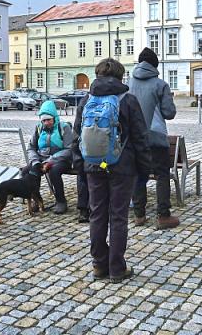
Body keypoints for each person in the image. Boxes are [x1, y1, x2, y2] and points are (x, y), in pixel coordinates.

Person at [72, 58, 151, 283]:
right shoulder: (128, 100)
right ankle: (117, 268)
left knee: (97, 214)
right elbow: (140, 138)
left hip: (94, 165)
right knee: (118, 216)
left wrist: (81, 167)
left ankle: (99, 264)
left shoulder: (87, 99)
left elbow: (77, 136)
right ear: (120, 76)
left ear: (97, 75)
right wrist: (144, 170)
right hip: (122, 165)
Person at [129, 47, 179, 230]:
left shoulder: (129, 83)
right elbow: (169, 112)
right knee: (162, 175)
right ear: (155, 65)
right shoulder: (160, 84)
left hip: (135, 137)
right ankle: (163, 215)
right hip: (156, 136)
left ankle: (139, 215)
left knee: (138, 174)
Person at [26, 100, 74, 215]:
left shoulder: (64, 128)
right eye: (44, 120)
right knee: (27, 171)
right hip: (41, 159)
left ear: (54, 118)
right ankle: (36, 200)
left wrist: (50, 161)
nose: (46, 123)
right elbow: (31, 148)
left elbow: (69, 149)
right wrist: (35, 161)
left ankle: (61, 201)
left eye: (49, 120)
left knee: (54, 171)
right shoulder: (38, 128)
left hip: (60, 160)